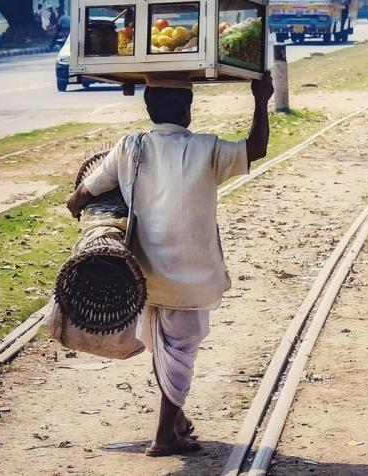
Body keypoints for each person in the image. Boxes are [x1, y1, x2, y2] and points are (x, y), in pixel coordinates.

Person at [66, 71, 274, 457]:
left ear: (149, 108)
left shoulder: (130, 146)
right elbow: (255, 147)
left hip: (142, 275)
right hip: (191, 277)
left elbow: (84, 192)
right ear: (186, 109)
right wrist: (261, 100)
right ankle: (164, 436)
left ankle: (175, 420)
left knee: (166, 348)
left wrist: (80, 205)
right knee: (181, 351)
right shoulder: (208, 149)